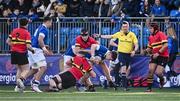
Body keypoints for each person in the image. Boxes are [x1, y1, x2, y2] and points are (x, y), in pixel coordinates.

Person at [94, 21, 138, 91]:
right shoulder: (119, 34)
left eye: (126, 26)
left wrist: (134, 51)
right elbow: (110, 36)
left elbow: (136, 44)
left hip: (128, 55)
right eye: (123, 27)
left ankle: (117, 83)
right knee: (123, 69)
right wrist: (100, 36)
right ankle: (124, 87)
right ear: (121, 27)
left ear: (128, 27)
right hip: (120, 54)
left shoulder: (132, 35)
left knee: (125, 70)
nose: (125, 28)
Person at [24, 17, 53, 92]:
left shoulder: (40, 27)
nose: (51, 24)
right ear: (48, 21)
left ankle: (21, 80)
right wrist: (44, 48)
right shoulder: (44, 29)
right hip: (36, 50)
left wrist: (44, 46)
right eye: (51, 22)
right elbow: (40, 39)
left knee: (35, 69)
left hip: (32, 49)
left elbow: (38, 40)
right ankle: (35, 84)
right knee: (43, 66)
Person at [6, 18, 35, 92]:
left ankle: (18, 87)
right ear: (27, 24)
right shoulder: (27, 33)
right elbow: (28, 46)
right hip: (21, 53)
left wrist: (14, 46)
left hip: (13, 52)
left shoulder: (14, 30)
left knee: (19, 69)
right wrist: (32, 50)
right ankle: (21, 79)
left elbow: (7, 41)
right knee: (26, 69)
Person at [143, 22, 169, 92]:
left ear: (155, 28)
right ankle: (149, 89)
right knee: (150, 71)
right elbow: (150, 48)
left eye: (151, 28)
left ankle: (162, 79)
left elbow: (165, 45)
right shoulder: (150, 37)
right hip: (154, 56)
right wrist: (146, 51)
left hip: (163, 56)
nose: (149, 30)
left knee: (158, 73)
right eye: (149, 28)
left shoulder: (161, 34)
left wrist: (158, 53)